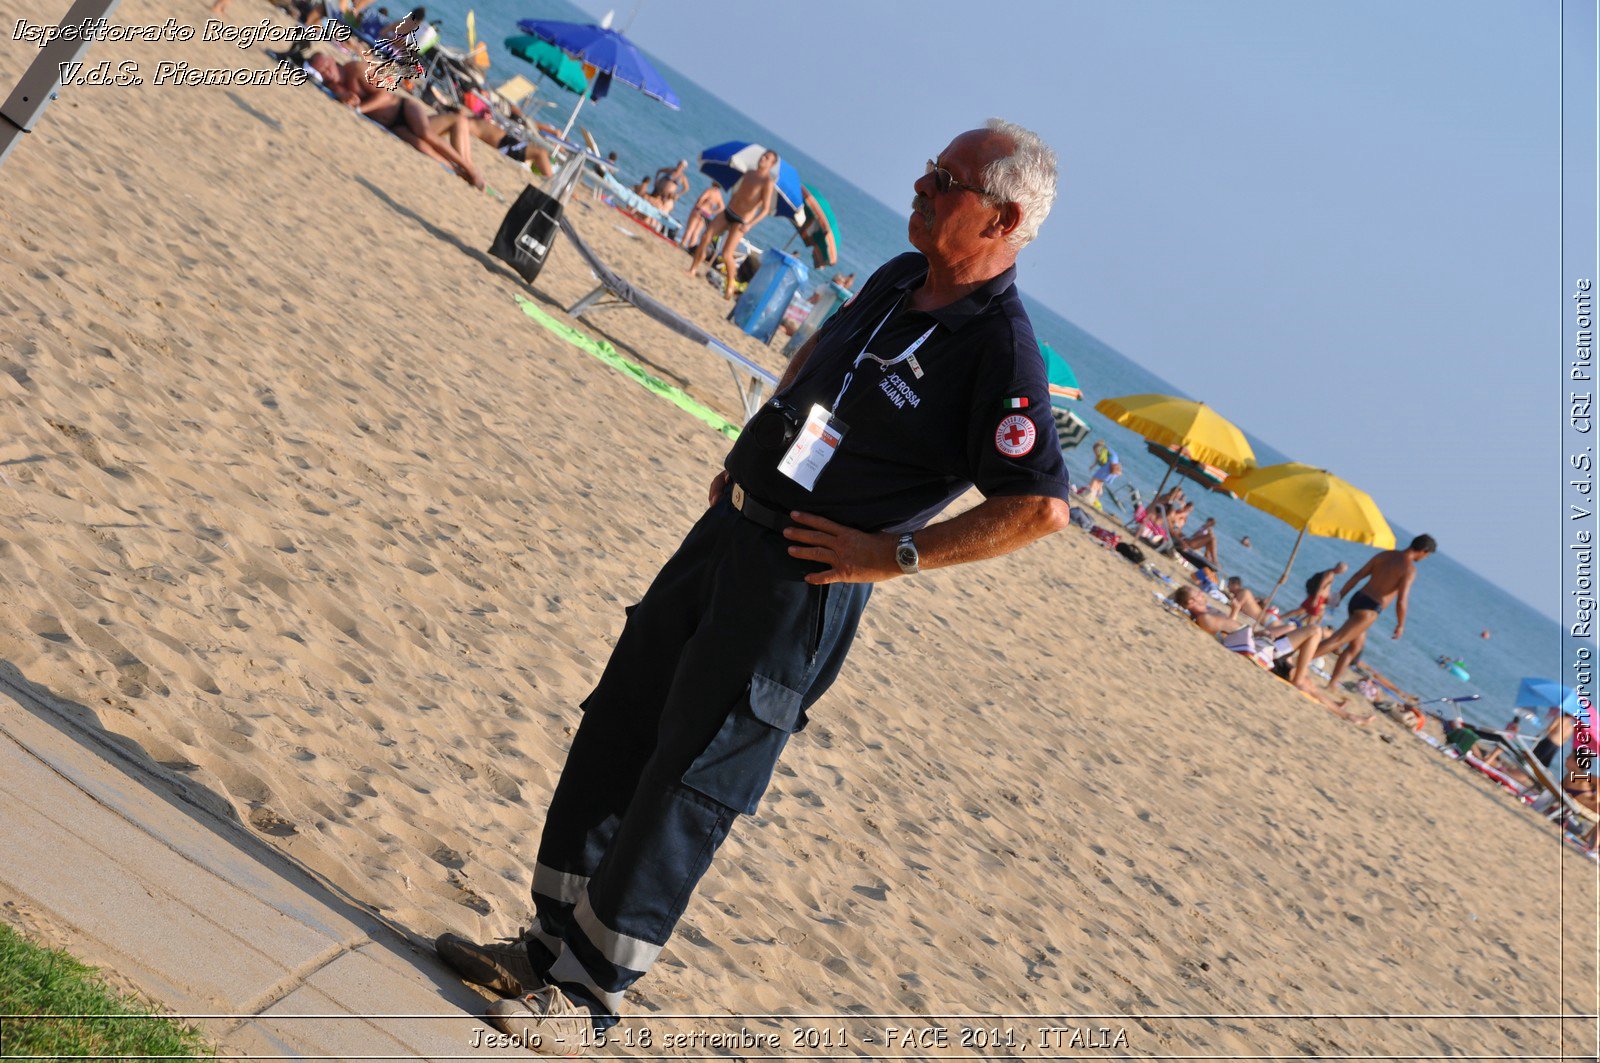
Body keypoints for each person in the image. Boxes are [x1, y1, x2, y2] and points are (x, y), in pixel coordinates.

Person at [437, 121, 1073, 1051]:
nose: (923, 183)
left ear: (1005, 215)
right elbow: (823, 352)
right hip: (732, 530)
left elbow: (1038, 507)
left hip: (801, 584)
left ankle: (586, 996)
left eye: (948, 179)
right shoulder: (903, 278)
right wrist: (748, 453)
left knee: (691, 780)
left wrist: (888, 556)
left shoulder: (1003, 353)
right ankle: (542, 949)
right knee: (622, 720)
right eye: (931, 168)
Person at [1315, 535, 1437, 690]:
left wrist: (1340, 595)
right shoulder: (1409, 569)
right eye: (1427, 555)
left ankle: (1332, 684)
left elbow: (1358, 575)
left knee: (1355, 646)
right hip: (1370, 609)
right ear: (1424, 551)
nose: (1425, 558)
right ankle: (1298, 660)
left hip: (1358, 599)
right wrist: (1400, 625)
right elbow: (1402, 600)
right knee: (1338, 640)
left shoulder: (1385, 555)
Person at [688, 149, 780, 299]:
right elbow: (741, 190)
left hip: (742, 220)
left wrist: (750, 224)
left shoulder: (767, 182)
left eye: (767, 157)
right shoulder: (749, 173)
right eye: (763, 156)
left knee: (727, 254)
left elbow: (765, 209)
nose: (762, 158)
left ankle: (731, 283)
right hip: (729, 211)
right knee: (705, 237)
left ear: (772, 164)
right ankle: (693, 269)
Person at [679, 183, 725, 251]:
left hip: (699, 210)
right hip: (707, 213)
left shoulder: (710, 190)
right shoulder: (719, 195)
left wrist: (698, 205)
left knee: (690, 229)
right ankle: (691, 247)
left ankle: (683, 244)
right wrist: (712, 211)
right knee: (697, 232)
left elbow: (702, 198)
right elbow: (722, 207)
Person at [1079, 439, 1122, 508]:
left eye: (1094, 451)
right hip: (1115, 470)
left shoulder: (1102, 450)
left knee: (1094, 481)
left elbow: (1099, 458)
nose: (1094, 453)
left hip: (1110, 467)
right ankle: (1095, 496)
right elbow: (1099, 458)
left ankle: (1090, 497)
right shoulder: (1108, 450)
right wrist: (1093, 466)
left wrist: (1093, 466)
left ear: (1097, 448)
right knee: (1099, 483)